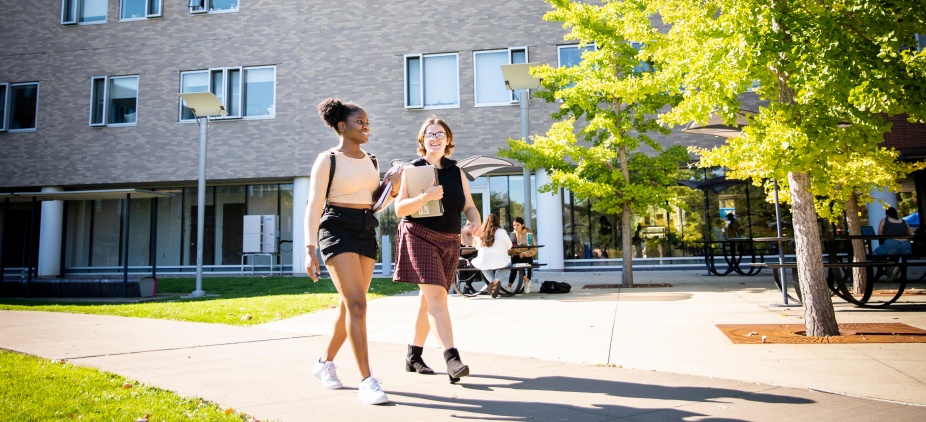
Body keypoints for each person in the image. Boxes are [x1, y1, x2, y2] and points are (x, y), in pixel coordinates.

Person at [304, 98, 401, 405]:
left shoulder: (372, 161)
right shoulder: (327, 159)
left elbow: (376, 205)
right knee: (358, 305)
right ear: (342, 126)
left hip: (365, 228)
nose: (366, 126)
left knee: (350, 308)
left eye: (367, 121)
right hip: (335, 228)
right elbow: (314, 204)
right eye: (360, 122)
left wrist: (392, 188)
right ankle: (367, 381)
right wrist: (309, 249)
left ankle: (323, 364)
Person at [393, 115, 482, 384]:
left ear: (448, 140)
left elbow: (468, 204)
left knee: (428, 300)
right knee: (437, 298)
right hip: (418, 235)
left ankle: (413, 355)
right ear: (423, 140)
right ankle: (452, 358)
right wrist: (425, 197)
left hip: (450, 239)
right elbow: (399, 209)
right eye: (429, 134)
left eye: (439, 134)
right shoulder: (413, 169)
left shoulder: (456, 172)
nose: (434, 138)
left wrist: (475, 219)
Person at [471, 214, 513, 298]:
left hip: (484, 261)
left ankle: (491, 281)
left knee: (483, 267)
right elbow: (510, 246)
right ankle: (496, 281)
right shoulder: (502, 231)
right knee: (507, 265)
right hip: (501, 261)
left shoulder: (481, 233)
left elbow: (477, 247)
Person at [508, 217, 537, 292]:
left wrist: (523, 253)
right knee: (515, 262)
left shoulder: (528, 234)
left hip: (526, 257)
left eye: (517, 225)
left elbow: (534, 249)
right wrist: (513, 248)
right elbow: (510, 251)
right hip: (516, 257)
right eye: (514, 225)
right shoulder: (512, 235)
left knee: (516, 262)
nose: (515, 227)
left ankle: (509, 286)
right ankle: (526, 281)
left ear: (522, 225)